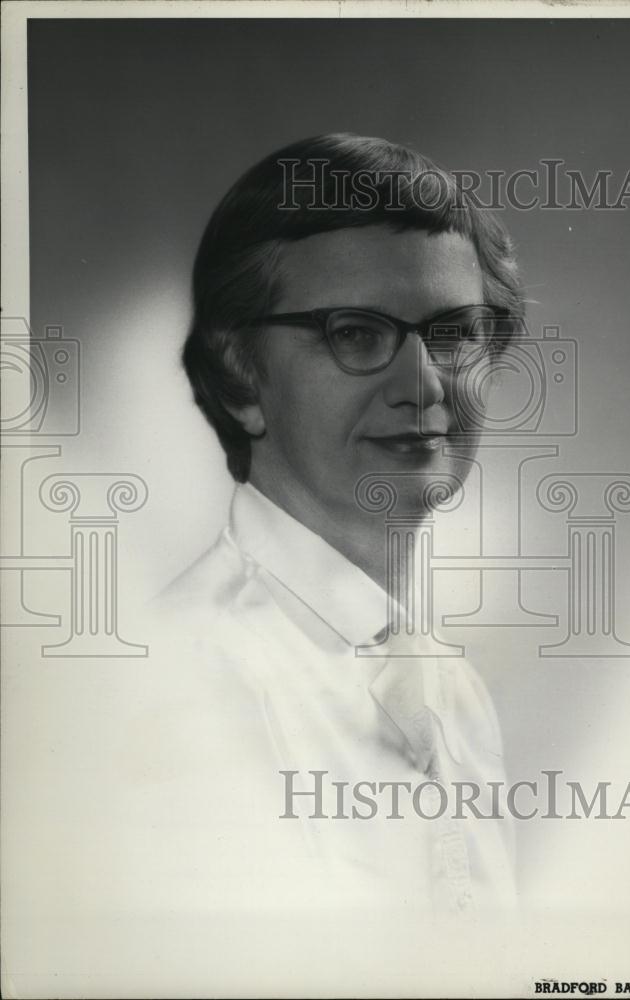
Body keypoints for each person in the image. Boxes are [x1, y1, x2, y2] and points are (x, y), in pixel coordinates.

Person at [148, 133, 526, 915]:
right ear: (239, 375)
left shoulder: (451, 690)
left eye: (455, 333)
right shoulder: (183, 680)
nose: (424, 385)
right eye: (355, 334)